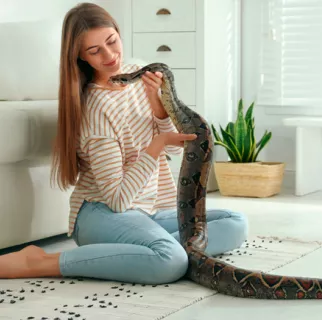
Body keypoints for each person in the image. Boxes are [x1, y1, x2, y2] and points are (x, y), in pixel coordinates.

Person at [0, 2, 248, 284]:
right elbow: (118, 200)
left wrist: (158, 108)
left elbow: (169, 148)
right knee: (171, 261)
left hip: (148, 212)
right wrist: (155, 145)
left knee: (235, 223)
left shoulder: (138, 74)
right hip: (102, 214)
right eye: (94, 51)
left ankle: (141, 250)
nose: (109, 56)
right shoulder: (97, 109)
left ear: (118, 32)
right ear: (81, 57)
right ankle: (42, 262)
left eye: (111, 41)